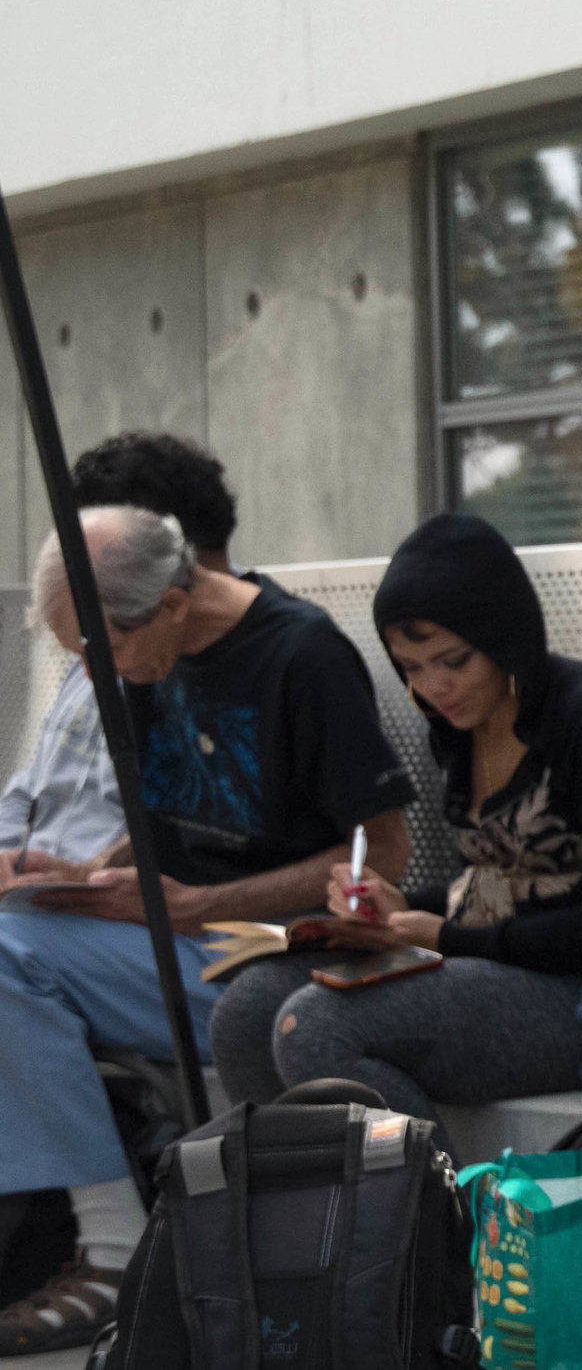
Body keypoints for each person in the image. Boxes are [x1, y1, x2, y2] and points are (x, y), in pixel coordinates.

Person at [0, 506, 414, 1358]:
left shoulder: (301, 655)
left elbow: (385, 855)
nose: (94, 670)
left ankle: (113, 1249)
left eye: (102, 646)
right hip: (178, 940)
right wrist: (70, 877)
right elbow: (166, 828)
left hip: (269, 948)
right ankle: (77, 1228)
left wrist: (188, 905)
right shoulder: (151, 666)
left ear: (175, 602)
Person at [209, 512, 582, 1121]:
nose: (434, 687)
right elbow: (494, 885)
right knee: (247, 1010)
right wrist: (398, 907)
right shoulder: (460, 727)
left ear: (502, 637)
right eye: (411, 667)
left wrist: (443, 936)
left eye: (454, 660)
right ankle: (303, 1206)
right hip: (490, 965)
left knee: (317, 1026)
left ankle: (434, 1209)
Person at [0, 431, 252, 877]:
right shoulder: (93, 648)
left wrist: (79, 877)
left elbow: (194, 835)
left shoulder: (224, 669)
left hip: (108, 905)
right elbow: (31, 789)